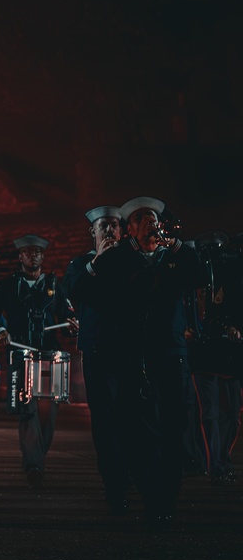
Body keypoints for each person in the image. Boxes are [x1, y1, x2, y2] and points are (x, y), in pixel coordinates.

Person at [90, 197, 206, 528]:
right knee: (133, 433)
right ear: (129, 228)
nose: (150, 223)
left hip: (170, 358)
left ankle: (163, 502)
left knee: (172, 432)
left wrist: (176, 245)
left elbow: (197, 275)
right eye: (141, 218)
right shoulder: (119, 259)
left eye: (153, 217)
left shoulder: (173, 257)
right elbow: (99, 296)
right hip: (132, 359)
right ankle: (148, 489)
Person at [0, 234, 76, 487]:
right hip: (21, 354)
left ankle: (35, 458)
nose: (33, 255)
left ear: (43, 256)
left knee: (48, 413)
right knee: (28, 409)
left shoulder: (55, 285)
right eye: (28, 252)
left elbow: (66, 319)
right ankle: (34, 464)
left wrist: (73, 325)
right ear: (20, 256)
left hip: (49, 355)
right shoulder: (6, 287)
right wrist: (0, 332)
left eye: (37, 252)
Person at [64, 205, 136, 513]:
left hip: (129, 350)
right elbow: (72, 292)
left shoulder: (132, 262)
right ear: (92, 233)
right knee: (104, 418)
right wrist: (95, 264)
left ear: (122, 231)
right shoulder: (81, 264)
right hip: (96, 351)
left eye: (113, 226)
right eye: (102, 226)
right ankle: (114, 484)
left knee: (130, 415)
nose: (108, 231)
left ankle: (130, 475)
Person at [185, 231, 242, 486]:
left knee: (231, 412)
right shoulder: (190, 277)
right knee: (209, 412)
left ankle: (220, 460)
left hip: (228, 350)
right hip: (202, 350)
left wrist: (233, 327)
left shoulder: (231, 274)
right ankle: (217, 466)